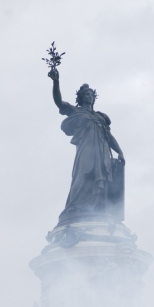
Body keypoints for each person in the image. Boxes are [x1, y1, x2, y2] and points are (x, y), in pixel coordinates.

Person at [48, 68, 125, 224]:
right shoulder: (75, 111)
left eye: (91, 95)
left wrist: (120, 152)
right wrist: (56, 81)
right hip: (86, 151)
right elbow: (58, 102)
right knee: (83, 175)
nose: (89, 97)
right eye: (86, 95)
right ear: (81, 97)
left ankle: (97, 209)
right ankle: (74, 207)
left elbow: (108, 136)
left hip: (102, 151)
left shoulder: (100, 117)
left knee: (102, 177)